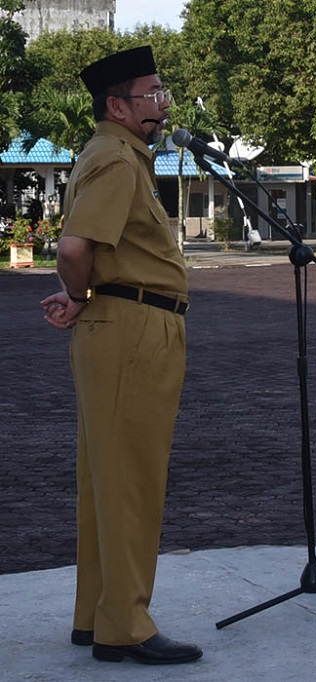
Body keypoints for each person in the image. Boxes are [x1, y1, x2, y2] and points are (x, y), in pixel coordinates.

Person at [39, 46, 202, 665]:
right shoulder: (114, 158)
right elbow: (76, 245)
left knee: (106, 480)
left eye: (163, 95)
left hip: (123, 322)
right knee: (131, 479)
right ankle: (126, 626)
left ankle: (97, 615)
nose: (162, 106)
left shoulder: (115, 154)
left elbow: (96, 253)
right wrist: (81, 293)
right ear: (117, 105)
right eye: (152, 95)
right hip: (133, 330)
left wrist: (85, 296)